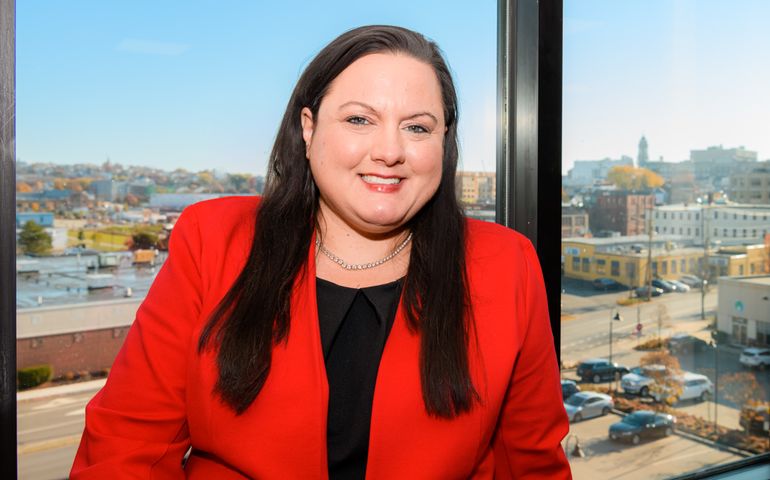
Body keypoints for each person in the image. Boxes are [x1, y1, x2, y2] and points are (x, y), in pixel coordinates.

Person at [71, 25, 571, 479]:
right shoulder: (213, 240)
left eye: (417, 127)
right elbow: (125, 448)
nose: (389, 151)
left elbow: (531, 465)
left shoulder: (506, 264)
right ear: (308, 128)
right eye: (359, 119)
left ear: (444, 140)